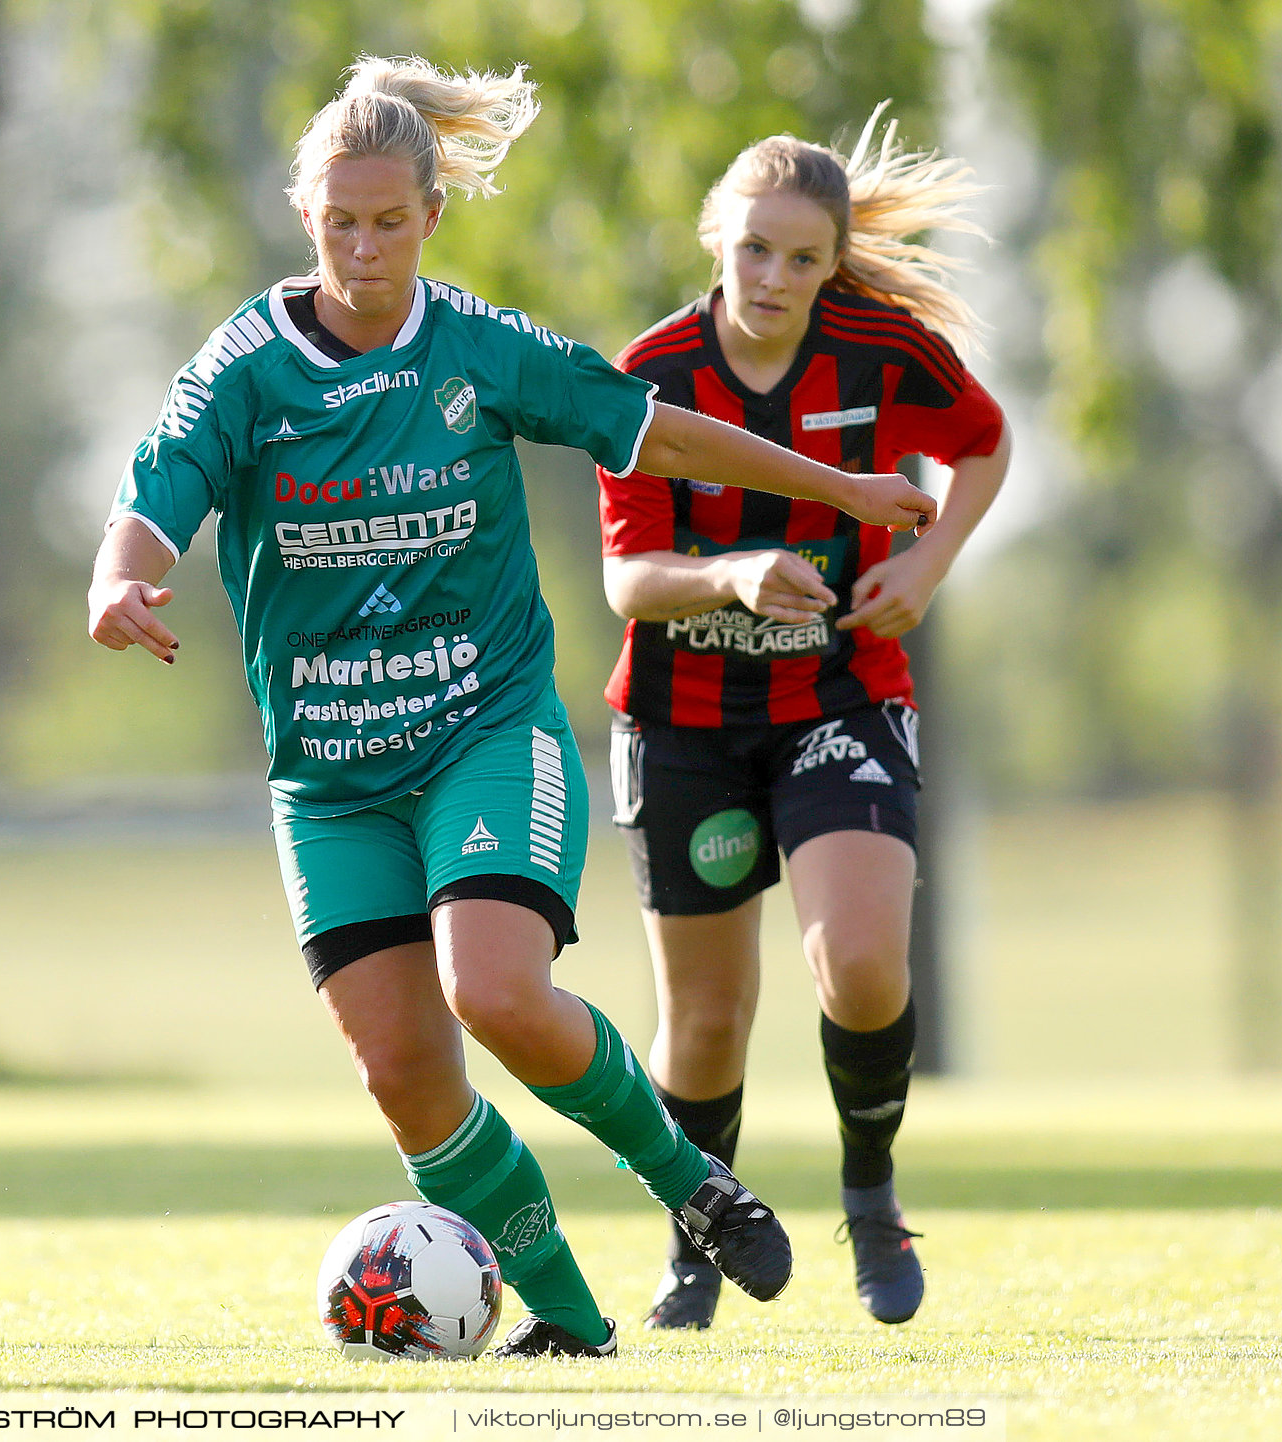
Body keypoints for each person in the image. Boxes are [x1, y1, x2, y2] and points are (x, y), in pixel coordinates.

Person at [89, 58, 936, 1359]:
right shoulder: (250, 364)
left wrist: (837, 484)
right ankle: (575, 1322)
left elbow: (657, 430)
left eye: (388, 221)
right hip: (329, 779)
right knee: (405, 1076)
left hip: (485, 734)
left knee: (494, 987)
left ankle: (697, 1186)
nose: (363, 248)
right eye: (338, 223)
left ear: (431, 217)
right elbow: (160, 489)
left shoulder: (480, 348)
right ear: (303, 214)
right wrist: (116, 577)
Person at [598, 110, 1010, 1330]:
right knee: (707, 1019)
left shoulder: (883, 351)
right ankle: (694, 1241)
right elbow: (627, 581)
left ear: (834, 267)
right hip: (684, 718)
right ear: (718, 237)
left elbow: (982, 445)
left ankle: (871, 1193)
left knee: (863, 961)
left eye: (804, 259)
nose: (775, 278)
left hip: (842, 695)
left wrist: (927, 570)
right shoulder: (653, 373)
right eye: (757, 249)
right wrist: (727, 574)